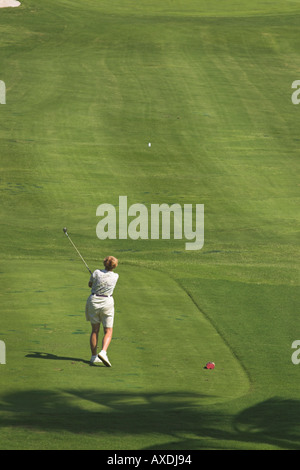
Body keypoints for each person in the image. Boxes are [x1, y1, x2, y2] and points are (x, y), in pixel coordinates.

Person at [85, 256, 119, 366]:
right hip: (107, 302)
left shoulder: (96, 273)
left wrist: (94, 279)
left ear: (104, 263)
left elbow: (90, 285)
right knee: (108, 330)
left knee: (95, 330)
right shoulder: (116, 276)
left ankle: (94, 356)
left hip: (94, 301)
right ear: (114, 266)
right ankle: (103, 352)